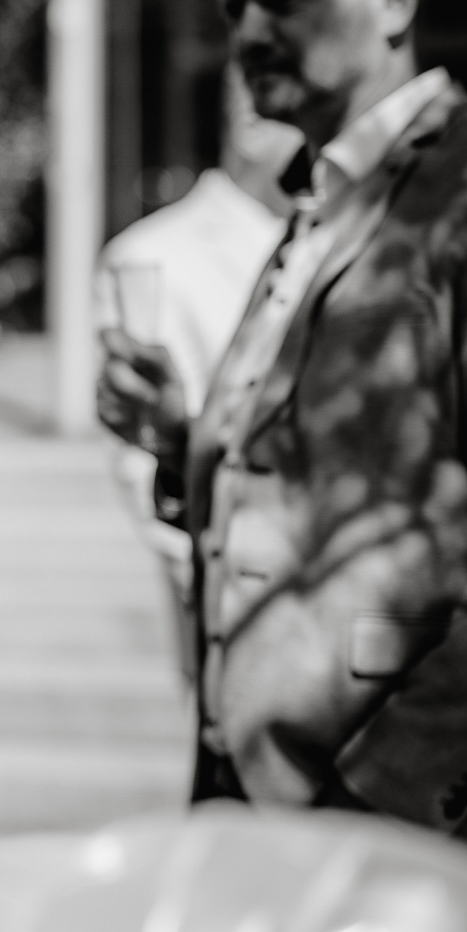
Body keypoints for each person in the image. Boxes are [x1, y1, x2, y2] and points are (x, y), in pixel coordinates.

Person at [98, 0, 467, 863]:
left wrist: (375, 808)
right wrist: (180, 444)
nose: (250, 32)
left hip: (403, 829)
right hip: (256, 802)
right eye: (234, 7)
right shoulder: (316, 206)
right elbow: (305, 491)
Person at [96, 66, 293, 682]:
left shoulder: (364, 243)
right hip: (226, 602)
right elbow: (142, 459)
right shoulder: (149, 257)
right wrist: (213, 578)